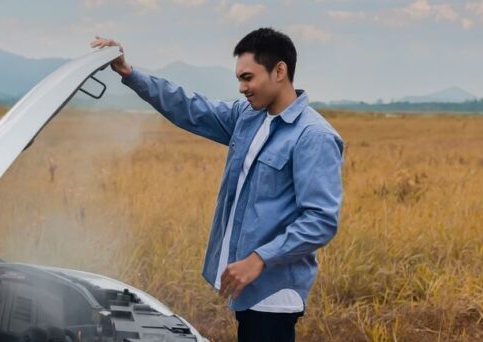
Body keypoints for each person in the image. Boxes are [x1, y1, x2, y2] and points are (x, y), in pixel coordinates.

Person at [90, 27, 344, 342]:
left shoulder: (313, 136)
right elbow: (189, 107)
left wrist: (258, 259)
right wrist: (129, 73)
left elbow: (320, 220)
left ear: (280, 71)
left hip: (274, 294)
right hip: (248, 289)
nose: (241, 87)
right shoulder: (248, 117)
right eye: (239, 78)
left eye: (248, 78)